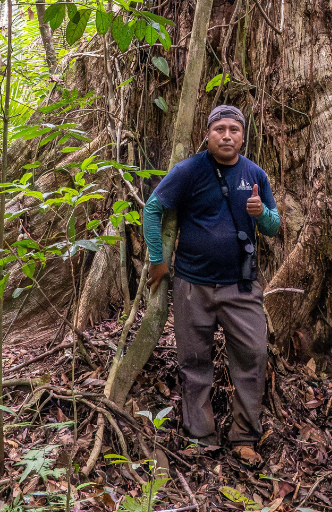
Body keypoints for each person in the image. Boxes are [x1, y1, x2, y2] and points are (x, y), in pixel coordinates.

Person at [141, 105, 280, 467]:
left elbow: (273, 225)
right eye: (220, 128)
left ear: (243, 136)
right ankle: (200, 435)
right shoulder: (188, 170)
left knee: (253, 357)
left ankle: (245, 436)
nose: (227, 135)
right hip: (192, 286)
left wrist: (259, 214)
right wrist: (159, 261)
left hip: (242, 287)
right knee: (194, 362)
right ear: (208, 134)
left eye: (234, 129)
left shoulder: (254, 174)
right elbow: (153, 208)